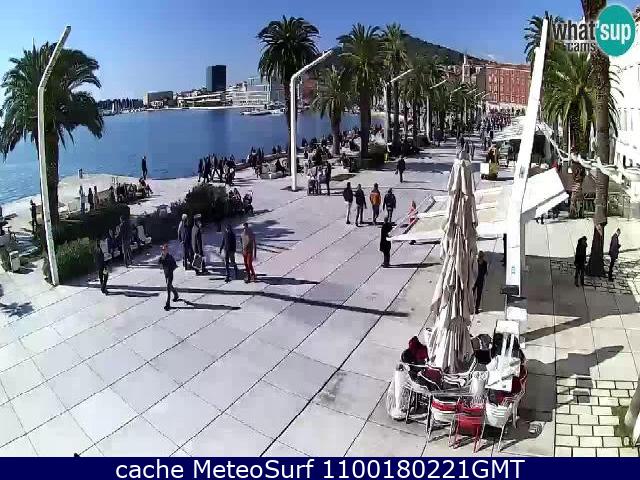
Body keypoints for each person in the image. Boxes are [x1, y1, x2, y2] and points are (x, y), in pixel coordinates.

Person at [159, 244, 179, 311]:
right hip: (166, 274)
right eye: (162, 249)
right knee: (170, 286)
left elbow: (175, 265)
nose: (163, 251)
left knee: (168, 288)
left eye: (164, 249)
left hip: (170, 274)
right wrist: (162, 260)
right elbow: (159, 264)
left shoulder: (170, 257)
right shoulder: (162, 257)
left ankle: (168, 304)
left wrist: (170, 269)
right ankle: (176, 294)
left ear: (167, 250)